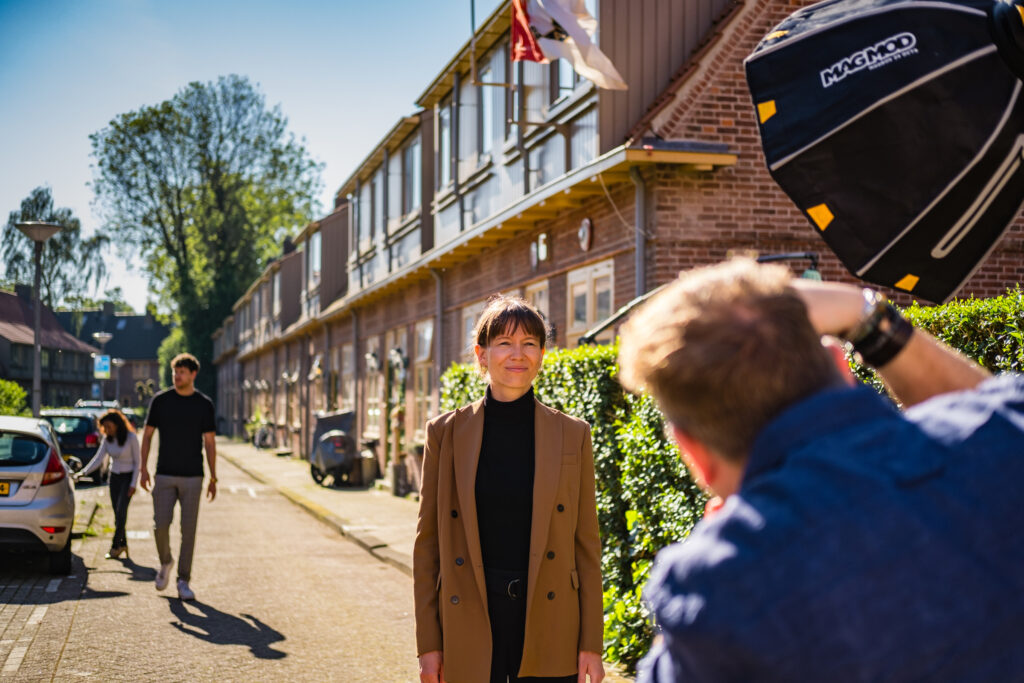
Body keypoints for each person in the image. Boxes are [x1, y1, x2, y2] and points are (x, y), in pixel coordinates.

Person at [616, 258, 1024, 681]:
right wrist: (865, 315)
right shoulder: (1003, 441)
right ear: (842, 365)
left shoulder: (718, 584)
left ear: (694, 457)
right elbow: (989, 409)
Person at [414, 295, 605, 683]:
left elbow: (587, 546)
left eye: (529, 344)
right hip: (469, 617)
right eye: (504, 343)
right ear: (481, 354)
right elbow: (428, 545)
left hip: (550, 621)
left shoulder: (574, 434)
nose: (518, 354)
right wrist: (428, 645)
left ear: (542, 354)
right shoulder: (445, 433)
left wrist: (592, 644)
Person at [139, 353, 217, 602]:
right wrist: (143, 468)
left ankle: (183, 580)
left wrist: (214, 477)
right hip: (164, 474)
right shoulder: (161, 401)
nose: (177, 376)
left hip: (194, 476)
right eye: (175, 372)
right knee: (160, 525)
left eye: (182, 372)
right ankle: (166, 561)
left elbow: (210, 442)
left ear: (193, 374)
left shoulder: (204, 404)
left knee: (189, 531)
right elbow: (148, 435)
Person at [75, 409, 140, 559]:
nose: (107, 430)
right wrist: (83, 473)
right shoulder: (107, 439)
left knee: (121, 511)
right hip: (114, 478)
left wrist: (133, 483)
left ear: (117, 424)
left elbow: (138, 463)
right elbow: (98, 459)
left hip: (127, 477)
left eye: (109, 427)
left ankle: (115, 546)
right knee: (117, 514)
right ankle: (123, 544)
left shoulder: (131, 438)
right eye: (105, 427)